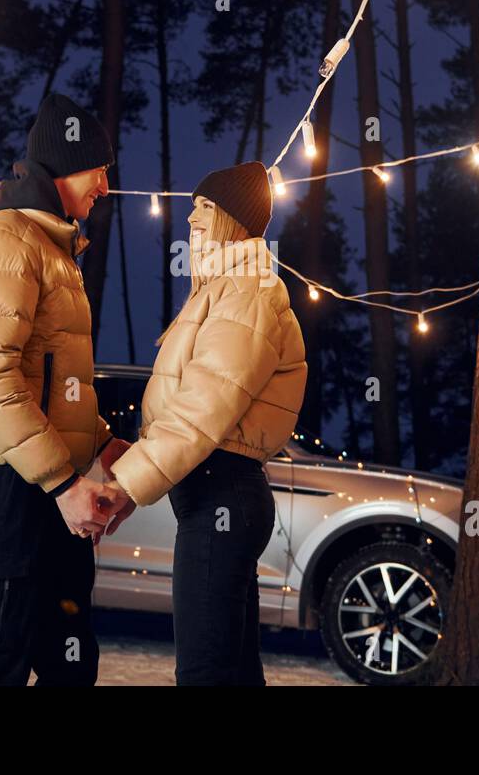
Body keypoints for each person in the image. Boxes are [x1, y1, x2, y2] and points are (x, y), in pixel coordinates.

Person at [0, 93, 133, 686]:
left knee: (70, 658)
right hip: (7, 488)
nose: (104, 186)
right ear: (66, 165)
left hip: (52, 486)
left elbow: (57, 382)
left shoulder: (53, 250)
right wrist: (63, 482)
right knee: (2, 658)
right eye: (99, 171)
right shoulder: (3, 244)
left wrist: (103, 446)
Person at [103, 161, 307, 685]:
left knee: (205, 671)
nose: (190, 221)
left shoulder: (247, 293)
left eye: (204, 213)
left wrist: (127, 485)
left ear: (232, 222)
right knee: (232, 671)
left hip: (224, 497)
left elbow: (205, 406)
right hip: (218, 498)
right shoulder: (225, 289)